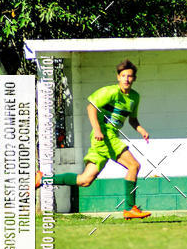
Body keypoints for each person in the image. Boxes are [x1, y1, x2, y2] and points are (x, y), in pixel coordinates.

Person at [36, 59, 152, 219]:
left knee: (85, 180)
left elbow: (132, 120)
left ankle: (43, 179)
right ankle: (129, 208)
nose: (126, 79)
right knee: (134, 165)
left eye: (129, 76)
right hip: (105, 136)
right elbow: (91, 106)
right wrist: (97, 129)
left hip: (106, 139)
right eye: (123, 75)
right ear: (118, 77)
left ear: (134, 79)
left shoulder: (134, 97)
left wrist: (141, 130)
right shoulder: (110, 92)